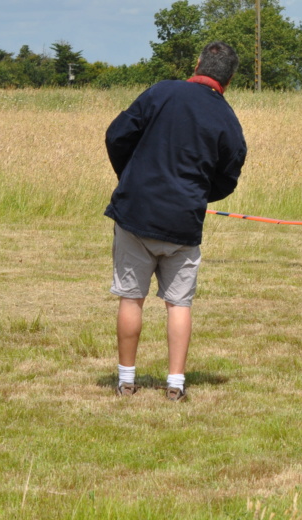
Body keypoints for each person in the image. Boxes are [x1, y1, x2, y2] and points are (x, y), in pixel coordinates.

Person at [104, 41, 246, 401]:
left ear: (197, 64)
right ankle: (175, 385)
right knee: (179, 303)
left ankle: (126, 381)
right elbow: (228, 177)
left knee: (131, 297)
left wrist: (131, 176)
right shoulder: (227, 119)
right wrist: (195, 195)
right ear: (229, 79)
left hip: (135, 211)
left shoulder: (162, 91)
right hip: (184, 221)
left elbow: (117, 135)